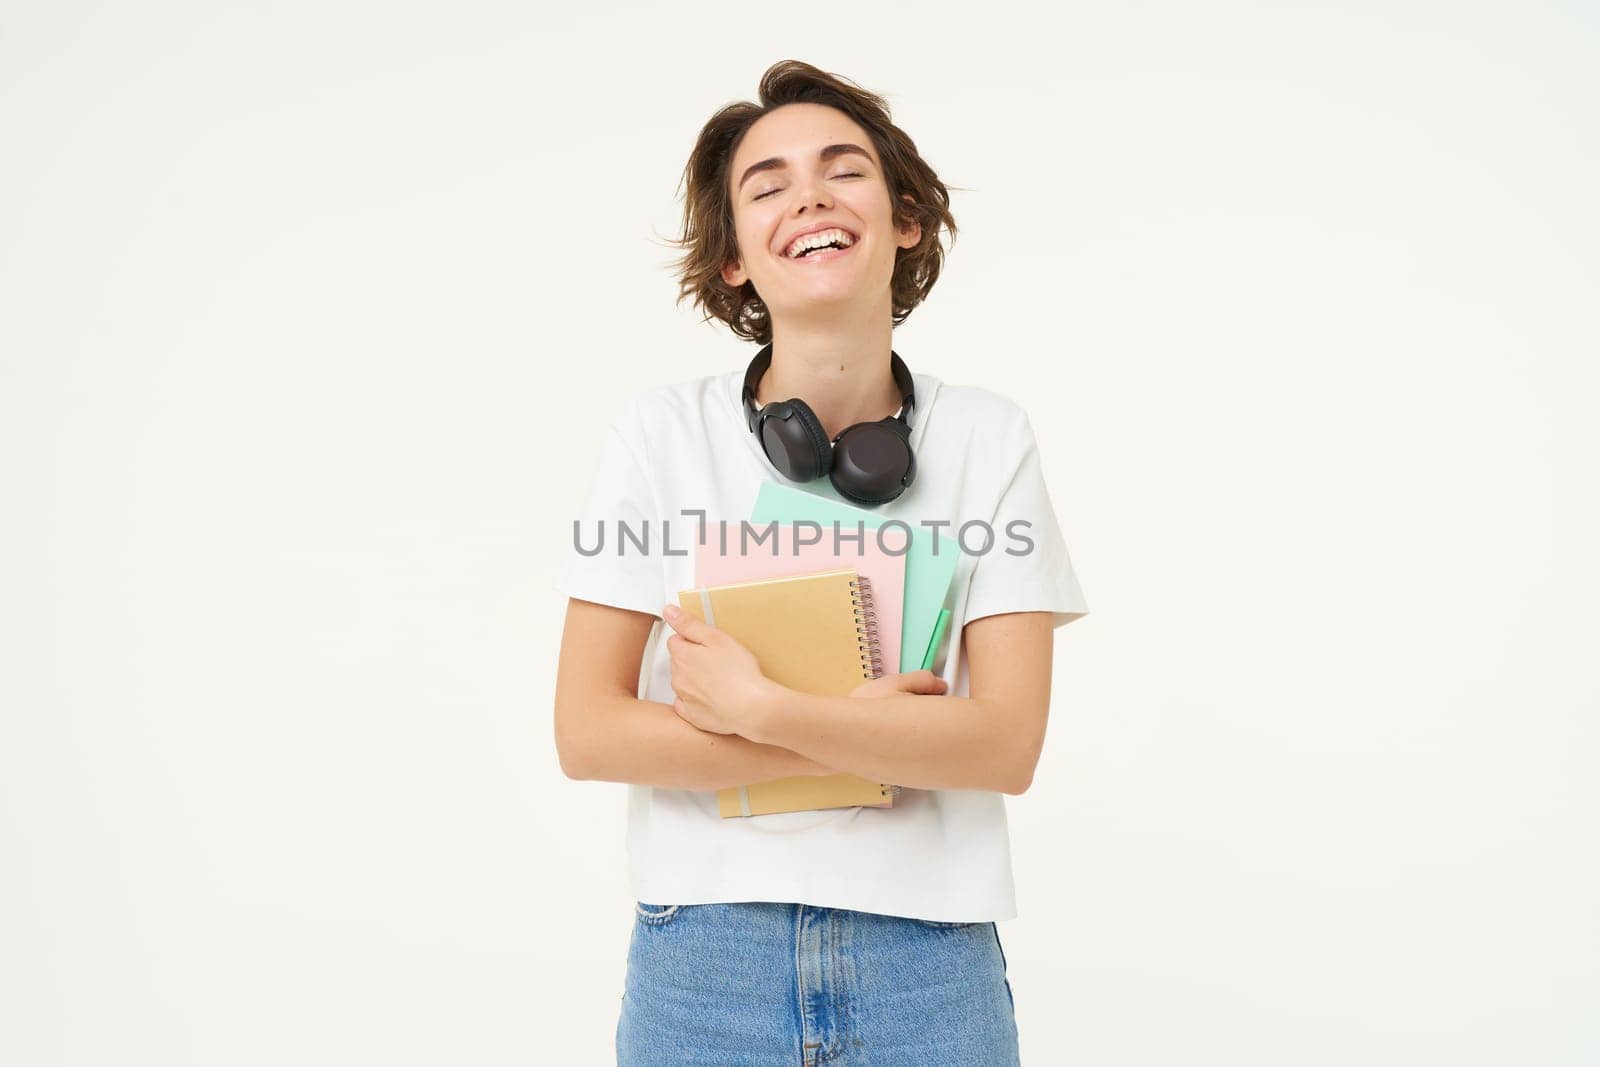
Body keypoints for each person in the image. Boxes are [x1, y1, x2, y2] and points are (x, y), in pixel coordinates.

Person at [553, 59, 1089, 1066]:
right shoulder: (657, 435)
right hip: (706, 959)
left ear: (905, 221)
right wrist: (874, 738)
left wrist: (770, 711)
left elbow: (1005, 745)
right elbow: (586, 728)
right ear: (733, 263)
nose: (807, 194)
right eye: (766, 185)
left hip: (928, 965)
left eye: (842, 169)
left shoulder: (988, 438)